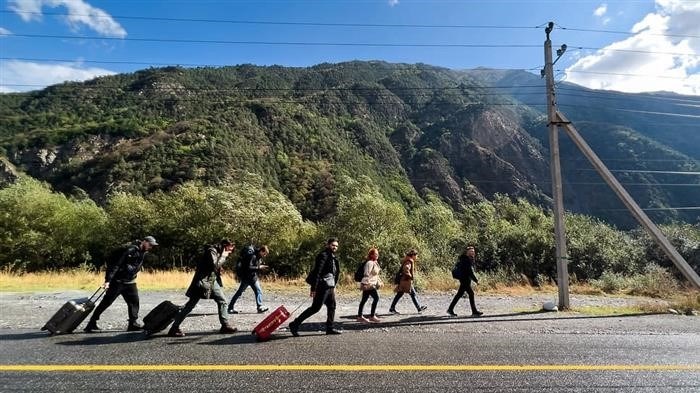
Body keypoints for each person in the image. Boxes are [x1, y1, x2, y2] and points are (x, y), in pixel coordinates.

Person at [84, 236, 158, 333]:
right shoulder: (130, 250)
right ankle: (91, 323)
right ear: (144, 242)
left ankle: (133, 323)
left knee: (134, 301)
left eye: (152, 245)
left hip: (130, 281)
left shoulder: (142, 252)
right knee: (106, 302)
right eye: (150, 244)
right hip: (118, 281)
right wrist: (108, 281)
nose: (151, 247)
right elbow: (116, 265)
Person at [168, 239, 238, 337]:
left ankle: (225, 325)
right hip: (202, 282)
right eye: (229, 249)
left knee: (222, 301)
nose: (230, 252)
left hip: (211, 281)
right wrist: (223, 256)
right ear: (225, 245)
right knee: (190, 305)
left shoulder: (216, 251)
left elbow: (214, 267)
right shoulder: (212, 251)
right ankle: (174, 328)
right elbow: (214, 265)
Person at [289, 238, 341, 336]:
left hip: (330, 287)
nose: (335, 247)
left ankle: (329, 328)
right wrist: (313, 288)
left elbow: (335, 273)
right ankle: (294, 324)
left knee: (332, 306)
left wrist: (334, 285)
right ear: (328, 245)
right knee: (315, 308)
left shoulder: (333, 257)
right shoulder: (323, 256)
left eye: (336, 246)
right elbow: (318, 272)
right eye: (333, 245)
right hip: (322, 287)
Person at [228, 245, 270, 314]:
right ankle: (230, 308)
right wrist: (259, 267)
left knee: (258, 291)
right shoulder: (253, 256)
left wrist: (260, 268)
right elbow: (249, 267)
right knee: (239, 293)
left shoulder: (258, 256)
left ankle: (259, 307)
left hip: (253, 278)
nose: (264, 255)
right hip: (247, 278)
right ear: (261, 251)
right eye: (264, 253)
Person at [388, 249, 427, 314]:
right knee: (412, 294)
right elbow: (406, 269)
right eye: (416, 255)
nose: (417, 257)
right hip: (406, 281)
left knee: (400, 294)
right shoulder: (409, 261)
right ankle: (419, 308)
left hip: (404, 281)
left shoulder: (408, 260)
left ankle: (392, 308)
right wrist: (410, 276)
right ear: (413, 255)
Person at [447, 246, 483, 317]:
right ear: (467, 252)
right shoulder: (466, 260)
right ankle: (474, 311)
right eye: (471, 251)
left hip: (464, 279)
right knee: (471, 294)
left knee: (459, 294)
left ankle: (450, 309)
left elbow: (469, 272)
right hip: (464, 280)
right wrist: (476, 281)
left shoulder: (467, 259)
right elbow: (470, 272)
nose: (473, 253)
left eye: (473, 251)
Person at [357, 247, 383, 323]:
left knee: (364, 300)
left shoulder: (375, 262)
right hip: (369, 284)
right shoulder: (369, 263)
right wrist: (365, 284)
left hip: (372, 284)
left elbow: (376, 275)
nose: (377, 255)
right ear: (371, 255)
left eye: (378, 254)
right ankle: (371, 316)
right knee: (376, 298)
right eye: (375, 254)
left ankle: (360, 316)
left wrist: (380, 281)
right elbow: (366, 274)